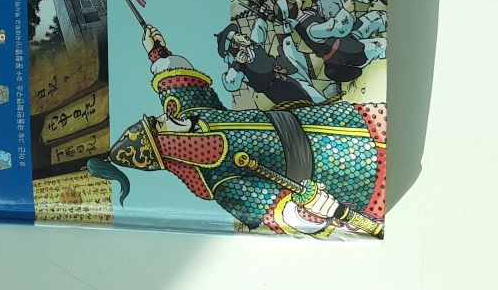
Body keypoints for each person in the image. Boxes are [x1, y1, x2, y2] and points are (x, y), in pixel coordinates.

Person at [86, 25, 386, 236]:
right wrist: (313, 209)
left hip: (336, 122)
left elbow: (176, 86)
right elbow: (279, 215)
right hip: (346, 174)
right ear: (166, 145)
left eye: (155, 120)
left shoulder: (192, 115)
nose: (161, 118)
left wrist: (156, 52)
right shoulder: (221, 184)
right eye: (157, 126)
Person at [274, 0, 387, 83]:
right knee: (382, 45)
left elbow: (324, 9)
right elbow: (337, 27)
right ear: (291, 7)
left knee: (376, 17)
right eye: (289, 0)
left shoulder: (307, 13)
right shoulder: (311, 30)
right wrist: (346, 10)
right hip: (348, 53)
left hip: (347, 39)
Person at [217, 18, 326, 108]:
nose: (244, 35)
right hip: (276, 90)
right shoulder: (237, 67)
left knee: (308, 89)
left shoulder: (253, 45)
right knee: (301, 103)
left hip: (285, 69)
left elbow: (258, 31)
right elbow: (231, 85)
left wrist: (262, 16)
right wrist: (238, 64)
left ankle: (324, 105)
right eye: (239, 35)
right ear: (234, 44)